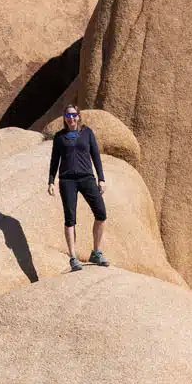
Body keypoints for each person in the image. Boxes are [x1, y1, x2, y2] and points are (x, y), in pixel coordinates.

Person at [47, 106, 109, 271]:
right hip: (67, 180)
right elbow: (55, 160)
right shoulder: (60, 137)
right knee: (70, 219)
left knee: (101, 214)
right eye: (68, 115)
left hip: (86, 177)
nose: (71, 118)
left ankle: (96, 252)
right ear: (65, 117)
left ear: (78, 116)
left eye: (74, 115)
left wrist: (101, 178)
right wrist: (51, 180)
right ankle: (73, 257)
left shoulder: (87, 132)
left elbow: (95, 155)